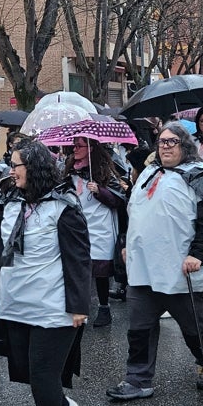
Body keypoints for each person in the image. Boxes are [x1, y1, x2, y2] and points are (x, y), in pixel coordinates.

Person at [0, 141, 89, 406]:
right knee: (30, 371)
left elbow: (77, 258)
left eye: (17, 165)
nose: (11, 170)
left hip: (53, 306)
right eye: (11, 164)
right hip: (17, 302)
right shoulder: (11, 204)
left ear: (36, 169)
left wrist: (78, 305)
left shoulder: (63, 208)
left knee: (43, 375)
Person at [107, 122, 203, 401]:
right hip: (143, 267)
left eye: (172, 142)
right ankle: (138, 379)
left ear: (185, 146)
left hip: (178, 269)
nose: (166, 147)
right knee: (139, 328)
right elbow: (134, 213)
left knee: (194, 325)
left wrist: (198, 253)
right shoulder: (148, 173)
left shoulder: (199, 177)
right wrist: (126, 245)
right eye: (162, 142)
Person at [66, 138, 126, 327]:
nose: (74, 149)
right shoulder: (70, 170)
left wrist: (100, 190)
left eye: (79, 146)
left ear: (90, 148)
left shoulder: (103, 170)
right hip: (78, 226)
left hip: (100, 227)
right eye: (73, 146)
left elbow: (118, 200)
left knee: (99, 270)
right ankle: (80, 308)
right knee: (79, 268)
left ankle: (104, 307)